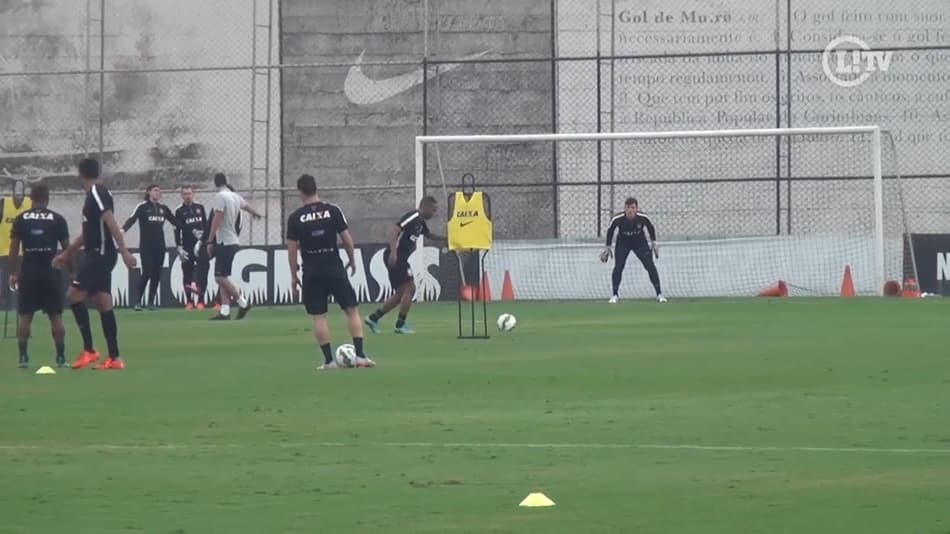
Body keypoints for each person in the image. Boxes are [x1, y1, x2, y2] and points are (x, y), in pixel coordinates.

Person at [53, 158, 137, 370]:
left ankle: (90, 350)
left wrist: (125, 251)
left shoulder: (97, 193)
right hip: (98, 253)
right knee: (103, 302)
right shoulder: (93, 195)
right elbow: (87, 233)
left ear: (80, 173)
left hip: (99, 255)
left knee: (73, 296)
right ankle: (115, 358)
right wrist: (67, 253)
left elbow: (110, 222)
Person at [286, 174, 374, 370]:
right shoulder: (333, 211)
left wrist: (294, 276)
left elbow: (292, 250)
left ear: (300, 192)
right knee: (351, 310)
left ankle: (329, 361)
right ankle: (360, 356)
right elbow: (346, 239)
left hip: (311, 270)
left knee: (319, 316)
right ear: (316, 188)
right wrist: (352, 260)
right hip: (334, 266)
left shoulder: (295, 218)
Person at [7, 184, 70, 368]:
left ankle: (23, 357)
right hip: (51, 271)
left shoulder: (21, 219)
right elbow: (67, 247)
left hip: (29, 272)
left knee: (25, 316)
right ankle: (60, 357)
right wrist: (72, 272)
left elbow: (14, 248)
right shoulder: (57, 219)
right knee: (56, 316)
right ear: (47, 198)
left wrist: (13, 272)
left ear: (31, 199)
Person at [365, 196, 445, 334]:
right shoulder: (413, 216)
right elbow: (394, 230)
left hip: (401, 258)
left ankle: (373, 318)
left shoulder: (421, 223)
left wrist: (447, 238)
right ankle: (400, 325)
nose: (434, 213)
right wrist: (394, 253)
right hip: (396, 256)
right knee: (410, 288)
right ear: (425, 207)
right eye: (433, 210)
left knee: (401, 293)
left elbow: (429, 235)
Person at [205, 173, 260, 321]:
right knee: (224, 276)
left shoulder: (220, 197)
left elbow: (217, 217)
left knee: (219, 277)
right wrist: (256, 213)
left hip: (225, 241)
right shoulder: (235, 196)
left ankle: (243, 302)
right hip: (234, 241)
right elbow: (246, 206)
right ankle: (225, 311)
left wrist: (210, 240)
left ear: (215, 183)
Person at [123, 184, 178, 310]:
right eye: (155, 190)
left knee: (156, 274)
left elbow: (175, 222)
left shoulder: (163, 208)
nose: (158, 193)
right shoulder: (142, 207)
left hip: (160, 246)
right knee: (147, 271)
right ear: (148, 192)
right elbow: (132, 219)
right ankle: (137, 301)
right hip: (146, 246)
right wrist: (122, 230)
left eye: (159, 190)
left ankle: (151, 302)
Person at [601, 197, 666, 304]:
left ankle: (659, 294)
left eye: (632, 208)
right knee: (618, 267)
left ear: (636, 208)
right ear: (624, 208)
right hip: (623, 242)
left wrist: (654, 243)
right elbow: (610, 230)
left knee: (650, 265)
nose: (630, 210)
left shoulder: (643, 218)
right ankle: (615, 295)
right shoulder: (618, 219)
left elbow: (650, 227)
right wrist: (608, 247)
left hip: (639, 242)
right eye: (628, 208)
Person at [174, 186, 209, 309]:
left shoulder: (200, 208)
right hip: (187, 246)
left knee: (202, 273)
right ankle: (189, 301)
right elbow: (177, 230)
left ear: (193, 194)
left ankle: (201, 301)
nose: (187, 196)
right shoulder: (179, 211)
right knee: (187, 274)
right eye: (185, 194)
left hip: (200, 246)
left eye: (189, 193)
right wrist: (179, 247)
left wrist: (205, 241)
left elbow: (206, 226)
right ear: (181, 196)